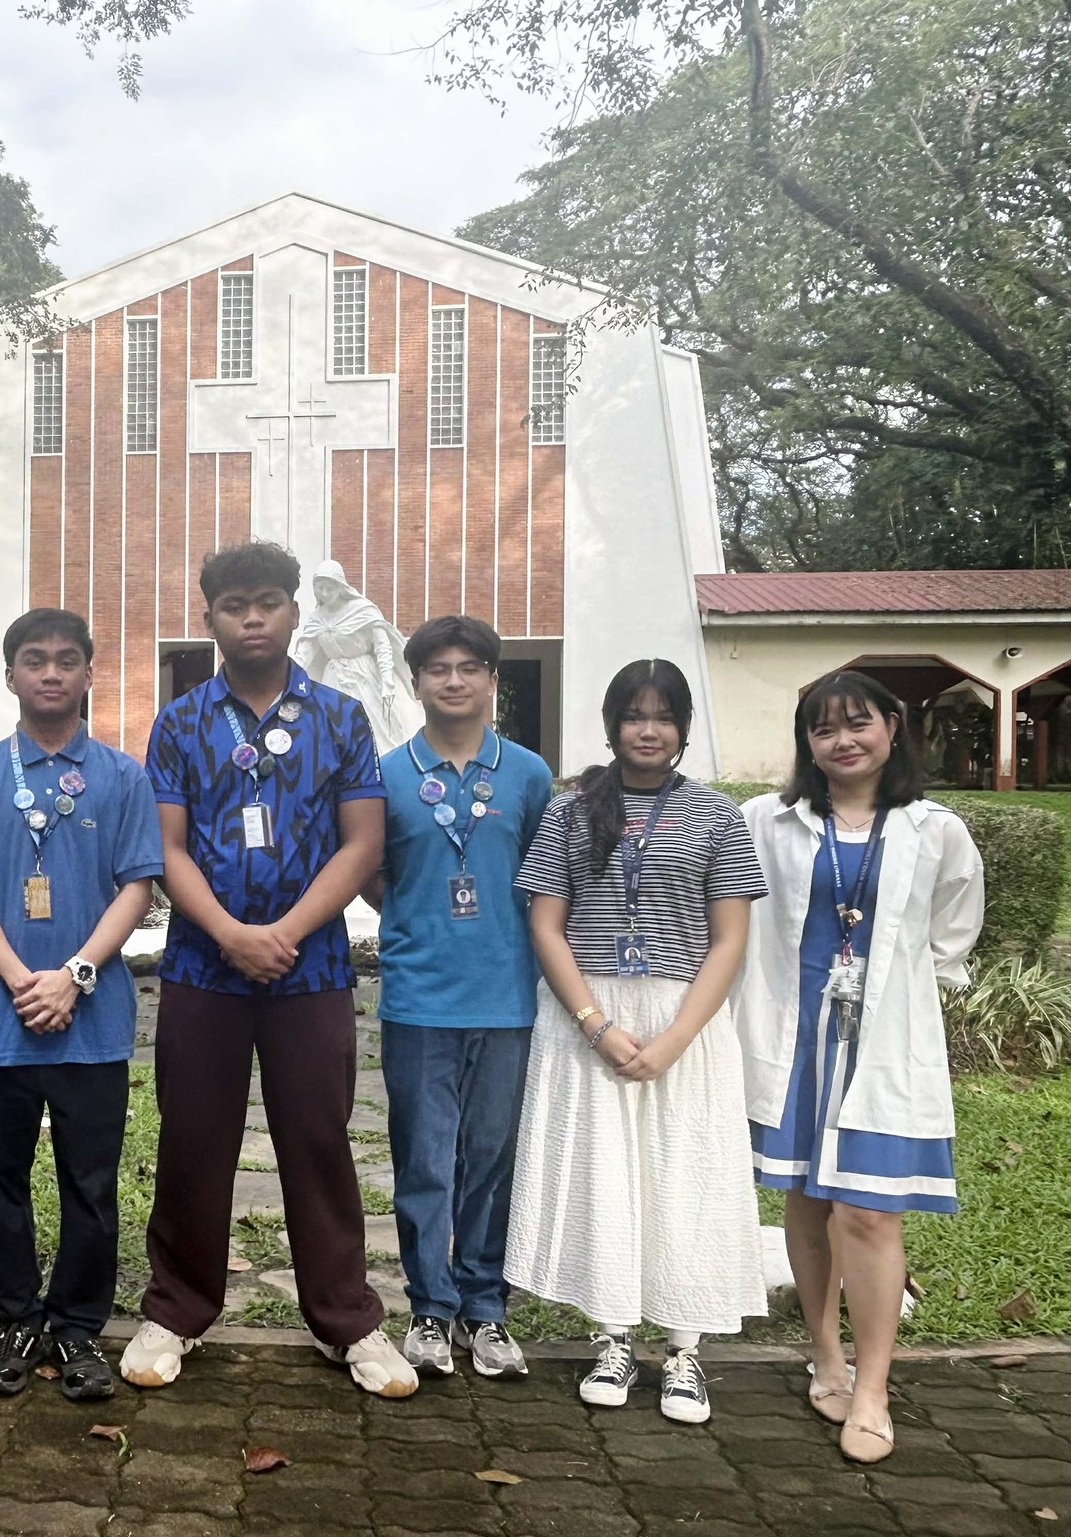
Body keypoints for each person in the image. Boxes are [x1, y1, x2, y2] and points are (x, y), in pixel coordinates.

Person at [122, 542, 414, 1400]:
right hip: (201, 969)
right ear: (209, 617)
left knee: (320, 1140)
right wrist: (228, 933)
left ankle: (346, 1318)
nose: (252, 618)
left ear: (294, 611)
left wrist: (282, 931)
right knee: (192, 1139)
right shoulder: (180, 722)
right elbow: (166, 846)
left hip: (310, 967)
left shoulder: (340, 718)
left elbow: (362, 842)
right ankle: (176, 1309)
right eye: (234, 605)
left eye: (268, 602)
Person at [505, 659, 768, 1424]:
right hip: (587, 1017)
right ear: (611, 724)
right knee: (605, 1177)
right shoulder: (569, 811)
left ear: (683, 727)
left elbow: (730, 941)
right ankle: (613, 1337)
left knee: (683, 1175)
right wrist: (596, 1025)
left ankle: (684, 1350)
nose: (648, 730)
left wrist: (676, 1038)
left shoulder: (717, 816)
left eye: (663, 715)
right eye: (633, 714)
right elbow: (546, 925)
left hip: (685, 1020)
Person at [732, 671, 983, 1464]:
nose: (842, 740)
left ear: (892, 727)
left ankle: (873, 1387)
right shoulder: (767, 820)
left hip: (882, 1045)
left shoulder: (935, 830)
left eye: (858, 722)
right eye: (823, 728)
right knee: (807, 1202)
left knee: (871, 1213)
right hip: (795, 1039)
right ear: (806, 743)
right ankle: (826, 1356)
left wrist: (901, 993)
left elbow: (952, 933)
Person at [0, 608, 163, 1401]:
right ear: (11, 676)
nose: (51, 672)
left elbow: (138, 885)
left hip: (90, 1022)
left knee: (90, 1183)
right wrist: (22, 977)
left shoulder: (123, 776)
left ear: (90, 672)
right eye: (35, 659)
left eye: (66, 659)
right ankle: (16, 1318)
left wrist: (75, 975)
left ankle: (79, 1326)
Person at [367, 615, 555, 1381]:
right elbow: (373, 872)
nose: (454, 680)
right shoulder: (386, 774)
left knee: (492, 1157)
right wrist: (416, 925)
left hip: (506, 995)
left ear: (492, 681)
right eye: (438, 668)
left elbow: (545, 877)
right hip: (419, 997)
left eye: (469, 667)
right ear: (416, 683)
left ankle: (486, 1306)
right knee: (423, 1159)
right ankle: (429, 1306)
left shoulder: (529, 774)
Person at [290, 560, 421, 753]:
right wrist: (288, 679)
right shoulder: (316, 619)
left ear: (340, 587)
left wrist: (387, 683)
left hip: (366, 677)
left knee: (375, 726)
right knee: (333, 726)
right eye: (320, 588)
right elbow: (304, 653)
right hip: (334, 680)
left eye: (329, 588)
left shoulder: (362, 610)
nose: (324, 593)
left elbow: (382, 646)